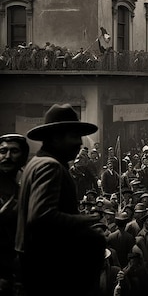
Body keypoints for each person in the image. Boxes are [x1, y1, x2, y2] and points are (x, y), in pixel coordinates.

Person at [15, 103, 105, 296]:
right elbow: (41, 217)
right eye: (74, 137)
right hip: (46, 267)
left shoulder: (36, 163)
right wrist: (85, 220)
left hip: (32, 263)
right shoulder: (50, 167)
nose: (80, 143)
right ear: (56, 138)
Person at [0, 133, 29, 296]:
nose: (7, 156)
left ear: (23, 156)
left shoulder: (28, 185)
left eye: (14, 151)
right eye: (3, 151)